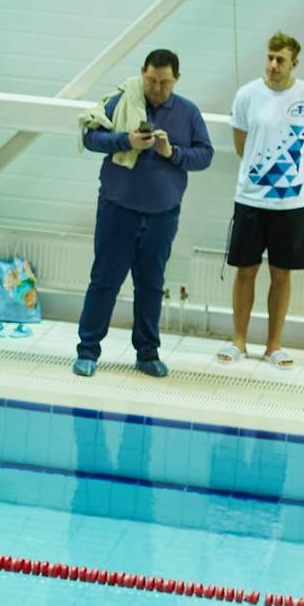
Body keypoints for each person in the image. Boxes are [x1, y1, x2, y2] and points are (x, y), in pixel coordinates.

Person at [74, 50, 215, 378]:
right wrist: (127, 140)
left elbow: (205, 154)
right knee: (104, 282)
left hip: (161, 216)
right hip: (117, 210)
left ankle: (147, 353)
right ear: (142, 73)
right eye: (151, 80)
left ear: (176, 79)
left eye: (164, 82)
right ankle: (88, 350)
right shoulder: (121, 102)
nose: (156, 88)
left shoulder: (187, 112)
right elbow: (91, 137)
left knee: (151, 285)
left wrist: (173, 152)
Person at [223, 32, 304, 368]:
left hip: (291, 203)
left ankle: (273, 345)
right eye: (269, 57)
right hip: (251, 199)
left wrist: (295, 184)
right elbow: (242, 146)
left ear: (293, 63)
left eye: (280, 60)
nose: (272, 65)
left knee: (282, 274)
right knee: (245, 271)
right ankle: (238, 340)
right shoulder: (247, 95)